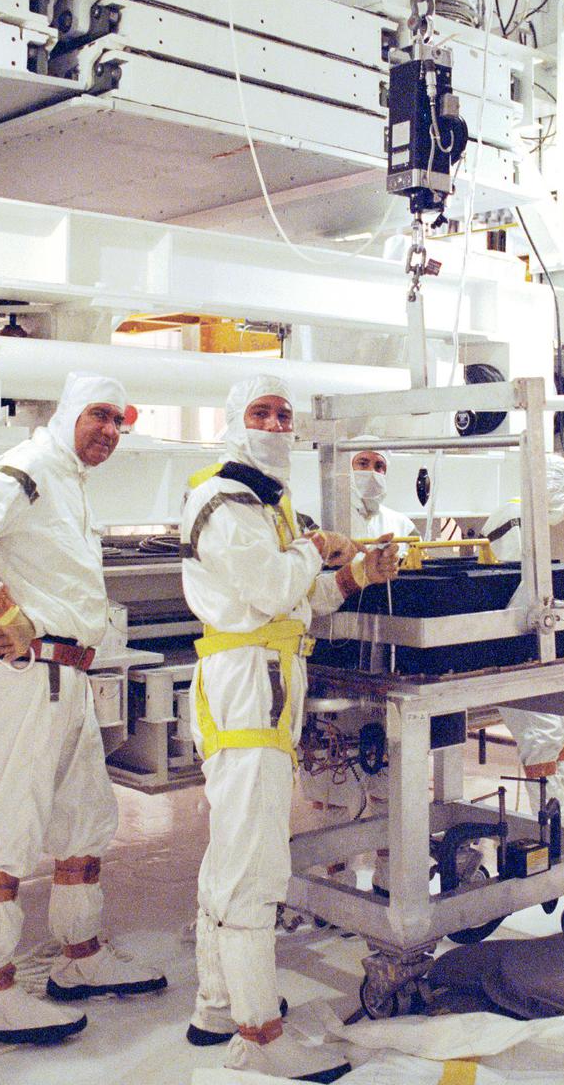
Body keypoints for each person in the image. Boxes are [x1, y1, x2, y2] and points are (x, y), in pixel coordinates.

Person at [0, 373, 166, 1047]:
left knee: (84, 820)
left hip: (66, 678)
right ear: (69, 414)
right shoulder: (29, 469)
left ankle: (80, 958)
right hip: (27, 675)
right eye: (99, 416)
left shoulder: (68, 481)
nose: (110, 432)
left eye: (119, 421)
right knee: (9, 828)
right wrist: (1, 608)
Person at [181, 375, 397, 1082]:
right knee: (254, 864)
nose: (275, 424)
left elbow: (298, 598)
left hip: (263, 679)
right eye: (260, 413)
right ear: (232, 422)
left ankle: (219, 1004)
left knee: (232, 852)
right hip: (246, 687)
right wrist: (321, 545)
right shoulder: (222, 499)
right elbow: (275, 585)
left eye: (283, 414)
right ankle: (260, 1037)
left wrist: (355, 574)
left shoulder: (265, 501)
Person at [300, 443, 416, 896]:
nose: (372, 472)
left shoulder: (401, 525)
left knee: (390, 778)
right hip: (333, 662)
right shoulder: (320, 522)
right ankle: (337, 883)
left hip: (387, 661)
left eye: (380, 465)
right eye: (362, 463)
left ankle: (389, 880)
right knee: (332, 778)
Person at [482, 455, 564, 829]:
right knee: (542, 741)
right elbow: (517, 598)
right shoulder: (514, 520)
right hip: (514, 655)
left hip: (531, 653)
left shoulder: (525, 520)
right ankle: (555, 843)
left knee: (554, 740)